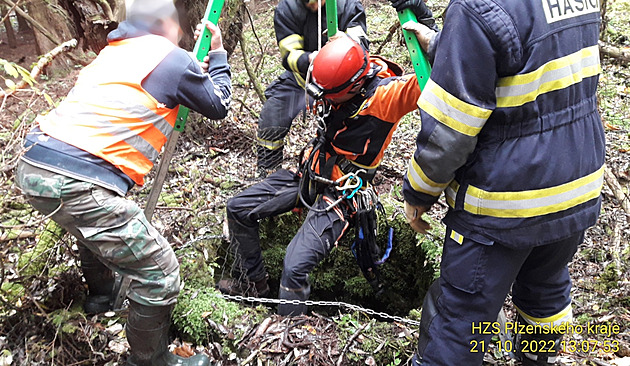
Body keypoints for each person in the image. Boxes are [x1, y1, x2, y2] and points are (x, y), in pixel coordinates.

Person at [14, 0, 231, 364]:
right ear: (167, 24)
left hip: (34, 165)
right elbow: (219, 103)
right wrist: (220, 56)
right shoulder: (170, 56)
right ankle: (149, 360)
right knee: (160, 274)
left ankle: (101, 296)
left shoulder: (113, 53)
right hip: (77, 180)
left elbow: (175, 86)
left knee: (90, 224)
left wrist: (194, 74)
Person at [396, 0, 605, 365]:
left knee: (461, 321)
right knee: (544, 294)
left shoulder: (474, 8)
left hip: (504, 204)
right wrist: (448, 42)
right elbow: (531, 46)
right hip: (575, 188)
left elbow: (450, 135)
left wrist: (418, 191)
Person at [219, 35, 423, 315]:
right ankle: (255, 286)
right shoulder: (328, 73)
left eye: (328, 96)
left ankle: (287, 327)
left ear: (352, 86)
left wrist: (425, 32)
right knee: (239, 208)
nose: (322, 100)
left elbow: (435, 80)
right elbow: (299, 57)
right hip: (311, 173)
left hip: (343, 191)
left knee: (294, 264)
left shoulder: (387, 97)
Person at [254, 0, 369, 178]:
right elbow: (289, 55)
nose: (313, 4)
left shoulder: (348, 5)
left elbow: (361, 46)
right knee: (273, 114)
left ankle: (350, 171)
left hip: (345, 84)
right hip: (304, 78)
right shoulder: (287, 9)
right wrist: (310, 59)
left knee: (360, 118)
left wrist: (344, 45)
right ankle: (268, 170)